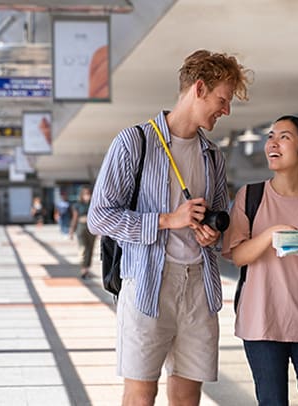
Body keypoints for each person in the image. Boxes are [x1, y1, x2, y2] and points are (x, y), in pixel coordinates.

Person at [87, 49, 251, 406]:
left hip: (198, 286)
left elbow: (219, 212)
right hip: (147, 283)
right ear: (199, 88)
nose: (226, 110)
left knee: (189, 394)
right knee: (141, 392)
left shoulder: (213, 155)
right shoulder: (134, 142)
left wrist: (211, 233)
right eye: (222, 100)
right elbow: (99, 216)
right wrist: (166, 220)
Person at [222, 116, 298, 406]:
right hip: (261, 321)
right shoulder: (250, 196)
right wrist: (271, 234)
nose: (273, 143)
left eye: (284, 137)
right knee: (271, 401)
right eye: (271, 136)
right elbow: (237, 255)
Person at [70, 186, 96, 279]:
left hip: (91, 228)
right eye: (85, 194)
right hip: (81, 227)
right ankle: (83, 268)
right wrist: (71, 231)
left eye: (88, 193)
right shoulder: (77, 205)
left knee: (90, 249)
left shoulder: (93, 204)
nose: (87, 196)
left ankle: (87, 269)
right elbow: (75, 218)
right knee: (83, 248)